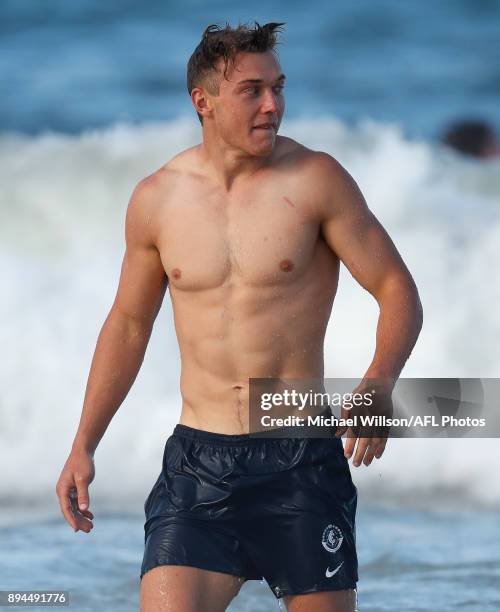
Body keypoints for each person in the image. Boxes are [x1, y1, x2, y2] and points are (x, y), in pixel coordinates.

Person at [56, 22, 423, 612]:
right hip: (197, 464)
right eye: (252, 90)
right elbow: (128, 324)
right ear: (203, 102)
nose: (273, 104)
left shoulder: (316, 181)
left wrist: (379, 383)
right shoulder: (157, 199)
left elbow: (396, 287)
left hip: (299, 456)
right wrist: (83, 444)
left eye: (278, 87)